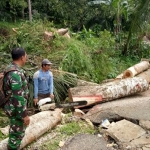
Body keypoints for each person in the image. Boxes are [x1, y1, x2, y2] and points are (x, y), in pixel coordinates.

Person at [3, 47, 30, 150]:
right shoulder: (15, 73)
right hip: (16, 110)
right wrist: (24, 115)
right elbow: (17, 97)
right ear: (22, 57)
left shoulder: (10, 68)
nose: (26, 58)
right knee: (17, 135)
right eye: (26, 55)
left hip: (12, 108)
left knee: (15, 133)